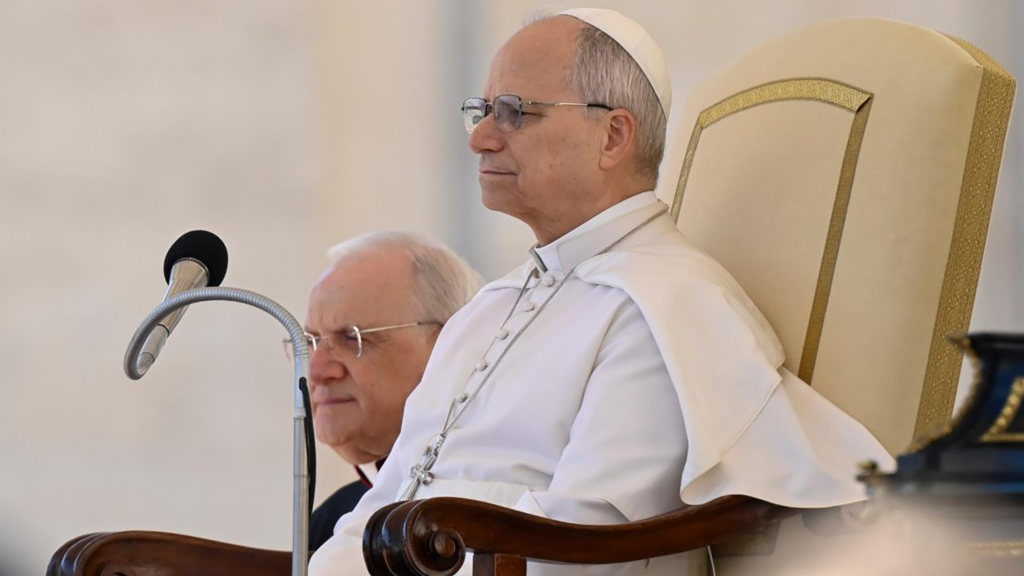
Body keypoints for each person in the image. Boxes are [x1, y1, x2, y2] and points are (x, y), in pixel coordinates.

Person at [310, 8, 893, 575]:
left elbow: (586, 551)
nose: (481, 138)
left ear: (613, 136)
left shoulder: (661, 308)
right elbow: (374, 513)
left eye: (513, 112)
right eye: (482, 110)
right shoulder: (486, 311)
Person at [291, 231, 482, 551]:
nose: (318, 371)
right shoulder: (334, 521)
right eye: (310, 342)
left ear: (447, 344)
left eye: (353, 337)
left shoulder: (496, 500)